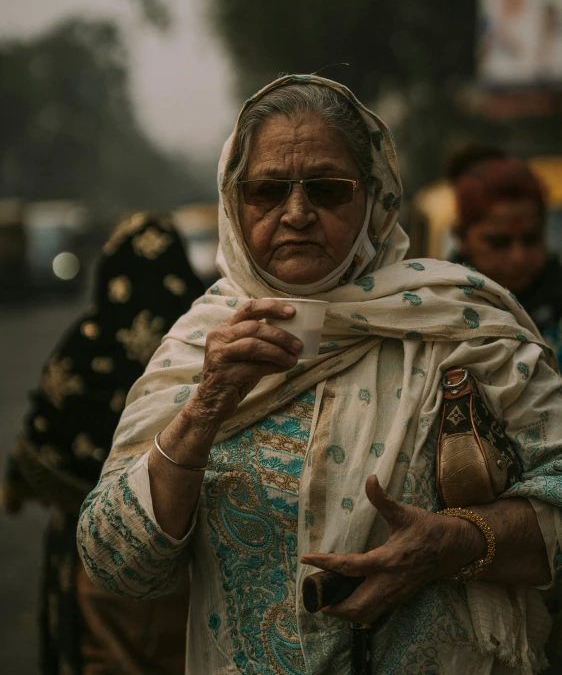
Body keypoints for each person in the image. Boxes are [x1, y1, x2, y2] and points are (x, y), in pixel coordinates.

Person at [77, 75, 562, 675]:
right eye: (268, 191)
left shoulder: (461, 324)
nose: (298, 213)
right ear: (235, 202)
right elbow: (117, 562)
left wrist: (458, 543)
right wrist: (206, 407)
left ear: (373, 199)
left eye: (329, 190)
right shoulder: (198, 345)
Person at [2, 212, 204, 674]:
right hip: (182, 548)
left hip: (93, 554)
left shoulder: (88, 342)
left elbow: (42, 433)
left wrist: (20, 485)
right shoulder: (204, 340)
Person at [448, 146, 562, 366]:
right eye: (499, 243)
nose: (518, 258)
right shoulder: (439, 311)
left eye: (531, 239)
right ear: (462, 238)